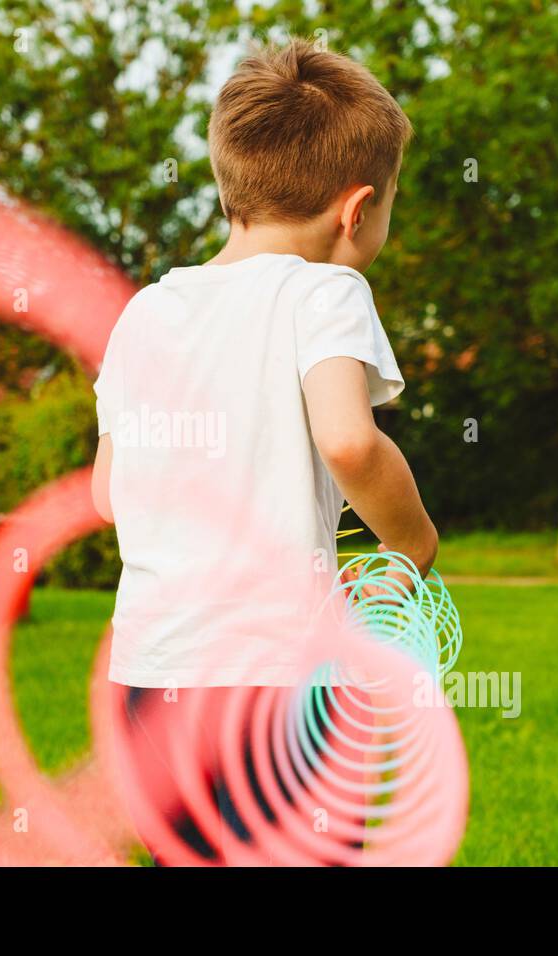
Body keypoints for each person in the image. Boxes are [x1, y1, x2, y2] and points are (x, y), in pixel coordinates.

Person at [90, 39, 437, 865]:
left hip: (151, 678)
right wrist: (411, 544)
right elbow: (350, 439)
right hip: (276, 678)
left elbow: (109, 494)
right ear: (357, 211)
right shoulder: (326, 291)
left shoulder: (144, 312)